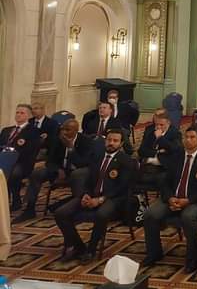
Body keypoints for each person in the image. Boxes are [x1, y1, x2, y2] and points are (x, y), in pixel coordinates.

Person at [142, 127, 197, 273]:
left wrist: (188, 200)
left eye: (192, 137)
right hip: (173, 198)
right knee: (150, 214)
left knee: (188, 217)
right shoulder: (177, 156)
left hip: (195, 201)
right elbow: (165, 181)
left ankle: (192, 258)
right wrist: (170, 198)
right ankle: (154, 253)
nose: (188, 140)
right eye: (186, 137)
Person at [53, 129, 132, 263]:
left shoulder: (126, 161)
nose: (111, 143)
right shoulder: (97, 157)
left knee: (101, 214)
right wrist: (85, 194)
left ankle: (91, 250)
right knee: (60, 213)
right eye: (109, 140)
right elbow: (89, 180)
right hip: (91, 195)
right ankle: (78, 246)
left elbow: (122, 187)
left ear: (121, 143)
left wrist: (100, 199)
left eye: (115, 141)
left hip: (113, 198)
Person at [14, 118, 93, 223]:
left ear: (75, 131)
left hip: (77, 172)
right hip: (58, 171)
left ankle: (75, 210)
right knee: (37, 173)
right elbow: (49, 161)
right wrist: (58, 170)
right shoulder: (57, 139)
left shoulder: (85, 141)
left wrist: (71, 148)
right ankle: (30, 209)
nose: (64, 132)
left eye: (67, 130)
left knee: (76, 174)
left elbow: (83, 163)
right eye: (62, 129)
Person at [1, 104, 41, 211]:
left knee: (13, 173)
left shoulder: (33, 131)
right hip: (4, 160)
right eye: (17, 112)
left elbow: (31, 150)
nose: (18, 115)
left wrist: (13, 156)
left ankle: (16, 200)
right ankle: (3, 201)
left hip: (22, 162)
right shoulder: (6, 130)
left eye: (22, 113)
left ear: (29, 116)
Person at [137, 110, 182, 188]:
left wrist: (160, 138)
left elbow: (174, 149)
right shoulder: (150, 130)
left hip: (164, 166)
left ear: (168, 123)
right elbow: (141, 150)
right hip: (148, 163)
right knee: (132, 175)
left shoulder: (175, 133)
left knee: (161, 179)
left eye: (161, 125)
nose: (158, 127)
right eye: (156, 124)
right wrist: (157, 152)